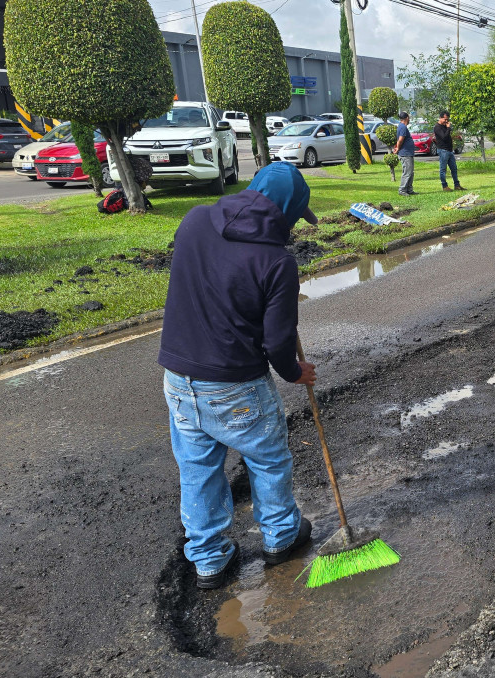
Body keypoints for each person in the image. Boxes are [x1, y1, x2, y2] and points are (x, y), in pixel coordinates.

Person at [159, 162, 319, 590]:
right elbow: (278, 344)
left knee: (197, 470)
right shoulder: (276, 262)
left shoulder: (193, 221)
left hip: (178, 376)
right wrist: (295, 373)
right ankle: (281, 538)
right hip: (235, 385)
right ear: (286, 211)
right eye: (294, 217)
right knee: (267, 459)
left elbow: (206, 277)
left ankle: (209, 560)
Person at [433, 110, 464, 192]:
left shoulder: (445, 126)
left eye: (447, 119)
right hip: (443, 150)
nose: (446, 121)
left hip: (449, 150)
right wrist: (448, 128)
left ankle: (457, 185)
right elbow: (444, 137)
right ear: (440, 118)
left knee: (454, 168)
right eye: (445, 119)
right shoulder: (437, 127)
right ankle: (444, 186)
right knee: (443, 169)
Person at [394, 111, 416, 196]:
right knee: (407, 172)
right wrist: (398, 148)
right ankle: (402, 190)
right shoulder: (403, 127)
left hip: (408, 153)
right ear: (407, 118)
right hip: (405, 153)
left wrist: (396, 147)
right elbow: (400, 139)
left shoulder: (401, 126)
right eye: (409, 118)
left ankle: (409, 189)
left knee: (410, 172)